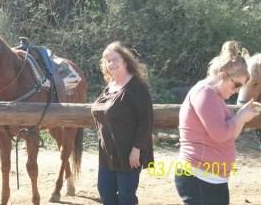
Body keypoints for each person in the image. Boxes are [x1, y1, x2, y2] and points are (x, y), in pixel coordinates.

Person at [175, 40, 260, 205]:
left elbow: (230, 134)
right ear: (223, 75)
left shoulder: (215, 96)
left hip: (210, 178)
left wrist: (243, 114)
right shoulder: (205, 94)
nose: (236, 91)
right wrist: (241, 116)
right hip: (199, 177)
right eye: (236, 85)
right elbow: (220, 134)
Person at [91, 41, 154, 205]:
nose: (111, 63)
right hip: (107, 153)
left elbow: (146, 120)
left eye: (115, 59)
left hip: (128, 153)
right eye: (108, 60)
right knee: (105, 192)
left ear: (125, 61)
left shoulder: (137, 87)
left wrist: (137, 148)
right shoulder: (110, 87)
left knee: (126, 197)